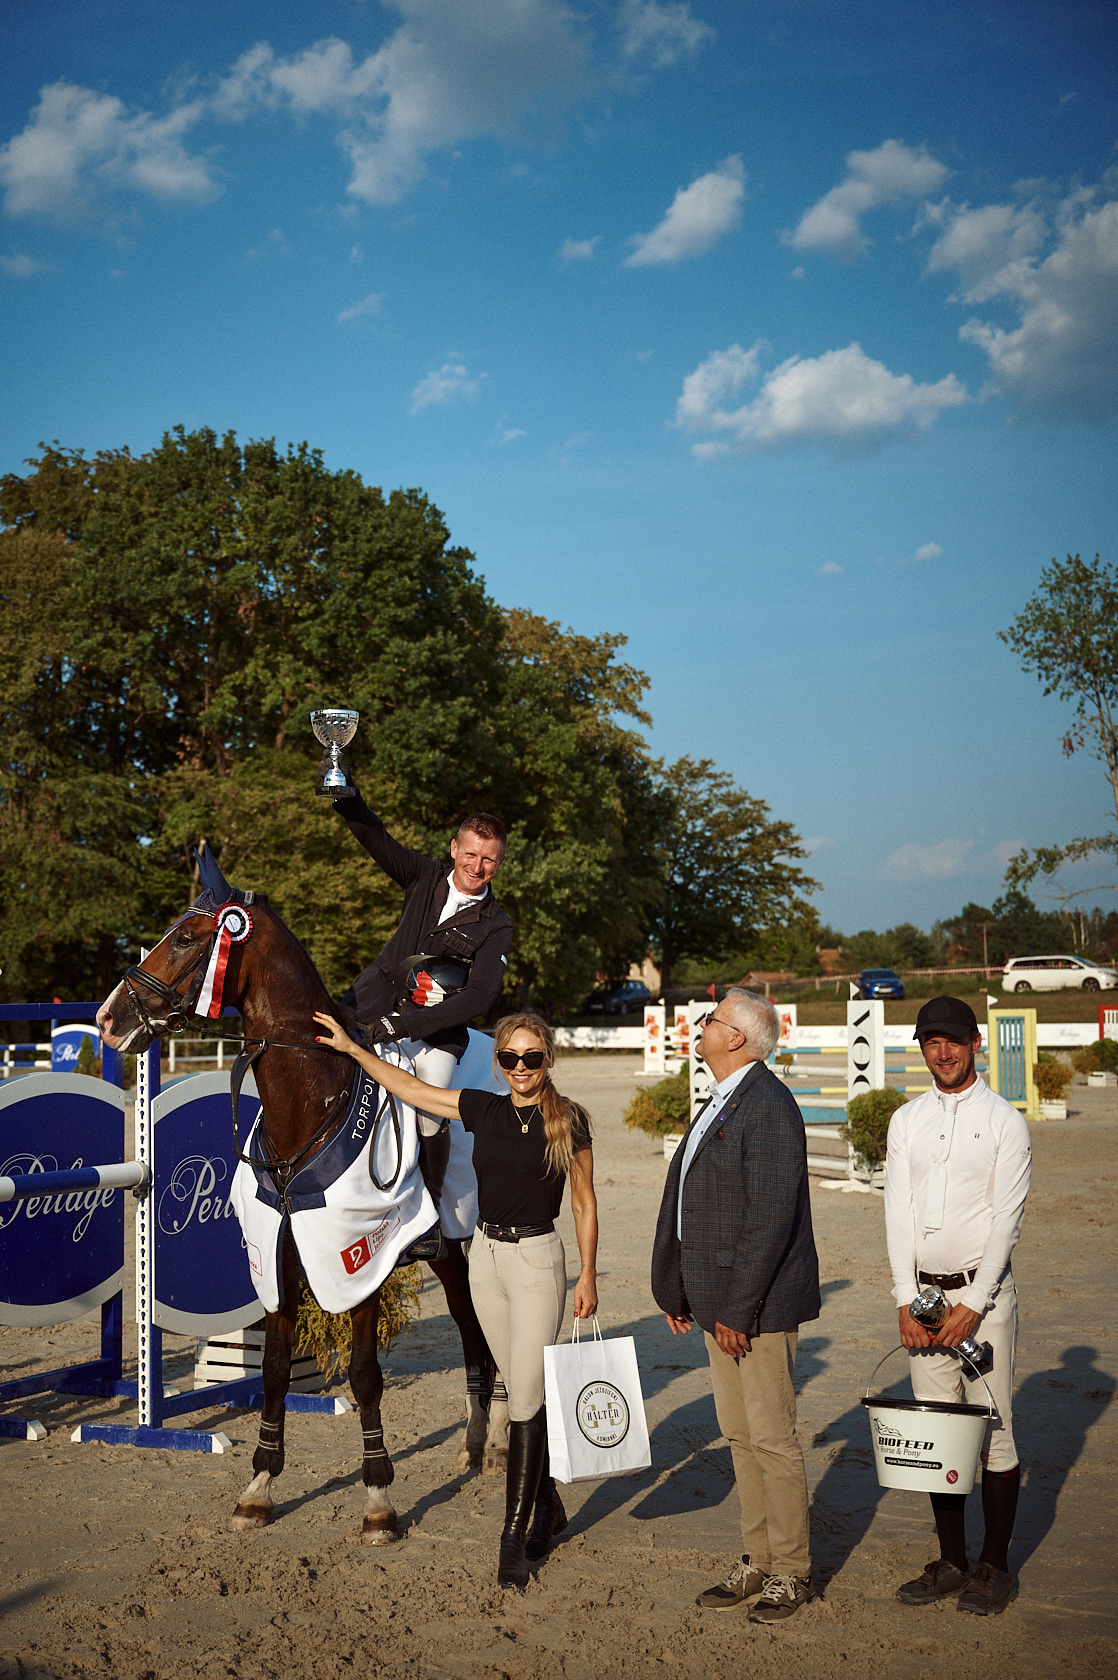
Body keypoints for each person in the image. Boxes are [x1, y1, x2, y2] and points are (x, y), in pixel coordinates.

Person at [313, 1007, 598, 1589]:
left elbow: (585, 1203)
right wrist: (352, 1050)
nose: (521, 1067)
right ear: (499, 1062)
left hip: (538, 1263)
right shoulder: (483, 1107)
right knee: (519, 1386)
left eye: (532, 1057)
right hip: (486, 1259)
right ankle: (547, 1505)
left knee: (524, 1399)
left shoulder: (569, 1120)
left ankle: (512, 1537)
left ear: (548, 1060)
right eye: (511, 1058)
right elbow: (411, 1087)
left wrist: (588, 1275)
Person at [651, 988, 820, 1624]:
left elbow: (770, 1219)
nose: (702, 1025)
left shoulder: (769, 1106)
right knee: (740, 1437)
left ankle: (792, 1571)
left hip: (758, 1307)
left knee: (772, 1438)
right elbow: (697, 1208)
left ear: (739, 1038)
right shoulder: (721, 1100)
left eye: (713, 1020)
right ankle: (758, 1558)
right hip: (722, 1300)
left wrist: (738, 1310)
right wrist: (681, 1289)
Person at [885, 994, 1031, 1617]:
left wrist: (974, 1302)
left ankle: (994, 1565)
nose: (941, 1052)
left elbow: (1007, 1220)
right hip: (923, 1298)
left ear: (975, 1042)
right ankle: (951, 1559)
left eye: (952, 1040)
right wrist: (901, 1298)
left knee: (993, 1436)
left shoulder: (1005, 1120)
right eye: (929, 1042)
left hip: (984, 1300)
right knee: (938, 1433)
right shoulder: (906, 1120)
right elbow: (898, 1212)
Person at [329, 784, 514, 1235]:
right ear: (454, 849)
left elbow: (478, 998)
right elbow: (377, 839)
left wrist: (405, 1024)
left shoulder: (497, 924)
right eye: (470, 854)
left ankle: (428, 1215)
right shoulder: (423, 876)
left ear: (500, 862)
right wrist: (344, 796)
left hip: (436, 1033)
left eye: (488, 859)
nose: (477, 866)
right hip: (369, 1005)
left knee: (431, 1114)